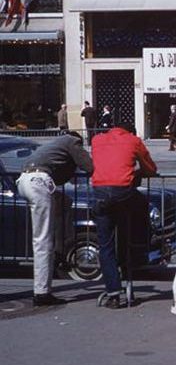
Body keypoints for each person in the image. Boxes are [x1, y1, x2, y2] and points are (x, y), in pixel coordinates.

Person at [16, 131, 94, 306]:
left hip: (25, 180)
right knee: (42, 240)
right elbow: (89, 166)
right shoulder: (72, 141)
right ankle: (42, 292)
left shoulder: (53, 146)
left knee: (62, 202)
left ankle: (60, 249)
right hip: (38, 182)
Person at [91, 121, 157, 308]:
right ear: (131, 131)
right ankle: (138, 247)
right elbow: (151, 168)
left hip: (100, 193)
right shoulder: (133, 141)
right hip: (122, 193)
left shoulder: (97, 140)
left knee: (105, 245)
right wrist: (136, 173)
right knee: (135, 215)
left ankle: (113, 291)